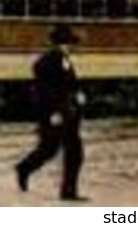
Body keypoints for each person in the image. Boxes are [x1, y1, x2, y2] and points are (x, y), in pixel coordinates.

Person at [16, 24, 87, 201]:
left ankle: (67, 191)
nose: (73, 47)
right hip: (57, 114)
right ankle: (25, 168)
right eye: (71, 43)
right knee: (52, 150)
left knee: (65, 151)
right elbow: (46, 89)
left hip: (66, 113)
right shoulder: (50, 60)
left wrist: (78, 94)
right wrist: (53, 111)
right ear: (64, 43)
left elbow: (68, 83)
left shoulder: (62, 59)